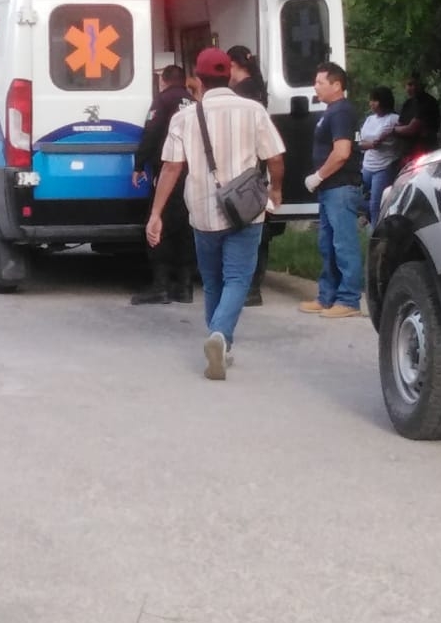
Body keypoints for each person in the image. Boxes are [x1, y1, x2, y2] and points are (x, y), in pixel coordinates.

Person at [146, 48, 285, 381]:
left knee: (212, 281)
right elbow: (276, 157)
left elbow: (171, 168)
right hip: (247, 210)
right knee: (238, 278)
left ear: (198, 78)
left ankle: (221, 341)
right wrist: (276, 189)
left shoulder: (184, 117)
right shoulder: (253, 110)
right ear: (230, 75)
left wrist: (156, 213)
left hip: (204, 211)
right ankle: (220, 336)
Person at [299, 63, 365, 317]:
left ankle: (348, 300)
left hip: (340, 187)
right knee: (327, 244)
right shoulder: (331, 111)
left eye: (320, 82)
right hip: (330, 189)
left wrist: (317, 176)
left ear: (336, 85)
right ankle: (327, 296)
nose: (315, 87)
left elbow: (342, 153)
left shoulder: (341, 112)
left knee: (344, 244)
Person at [130, 65, 195, 305]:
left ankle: (160, 286)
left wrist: (138, 165)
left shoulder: (163, 100)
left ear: (164, 81)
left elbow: (152, 132)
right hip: (192, 175)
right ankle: (185, 287)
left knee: (158, 225)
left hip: (169, 173)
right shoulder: (194, 102)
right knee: (186, 230)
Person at [227, 44, 275, 307]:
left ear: (234, 65)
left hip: (243, 167)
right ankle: (253, 286)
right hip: (257, 167)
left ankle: (250, 287)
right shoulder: (258, 89)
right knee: (256, 223)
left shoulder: (241, 94)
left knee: (244, 226)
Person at [359, 86, 403, 226]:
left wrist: (372, 143)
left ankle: (376, 236)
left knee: (375, 205)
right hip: (367, 165)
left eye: (375, 100)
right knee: (353, 196)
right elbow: (362, 142)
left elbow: (378, 141)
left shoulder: (394, 119)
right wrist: (371, 144)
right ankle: (369, 216)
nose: (371, 103)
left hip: (383, 167)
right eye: (371, 100)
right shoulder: (369, 119)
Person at [394, 75, 440, 160]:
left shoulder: (429, 102)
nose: (413, 88)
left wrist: (394, 129)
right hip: (407, 154)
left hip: (426, 153)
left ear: (422, 85)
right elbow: (400, 124)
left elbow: (411, 129)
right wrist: (398, 129)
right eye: (410, 85)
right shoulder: (407, 104)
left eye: (416, 84)